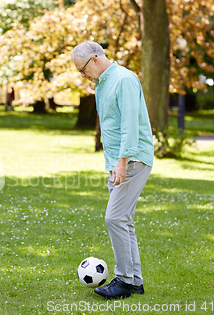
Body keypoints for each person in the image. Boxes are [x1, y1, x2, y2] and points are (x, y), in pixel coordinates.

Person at [71, 41, 154, 299]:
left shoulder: (123, 80)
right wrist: (113, 164)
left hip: (131, 159)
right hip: (117, 162)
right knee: (124, 220)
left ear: (95, 59)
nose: (82, 75)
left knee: (114, 218)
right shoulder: (102, 85)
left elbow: (129, 125)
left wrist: (122, 162)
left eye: (83, 69)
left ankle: (124, 280)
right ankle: (135, 280)